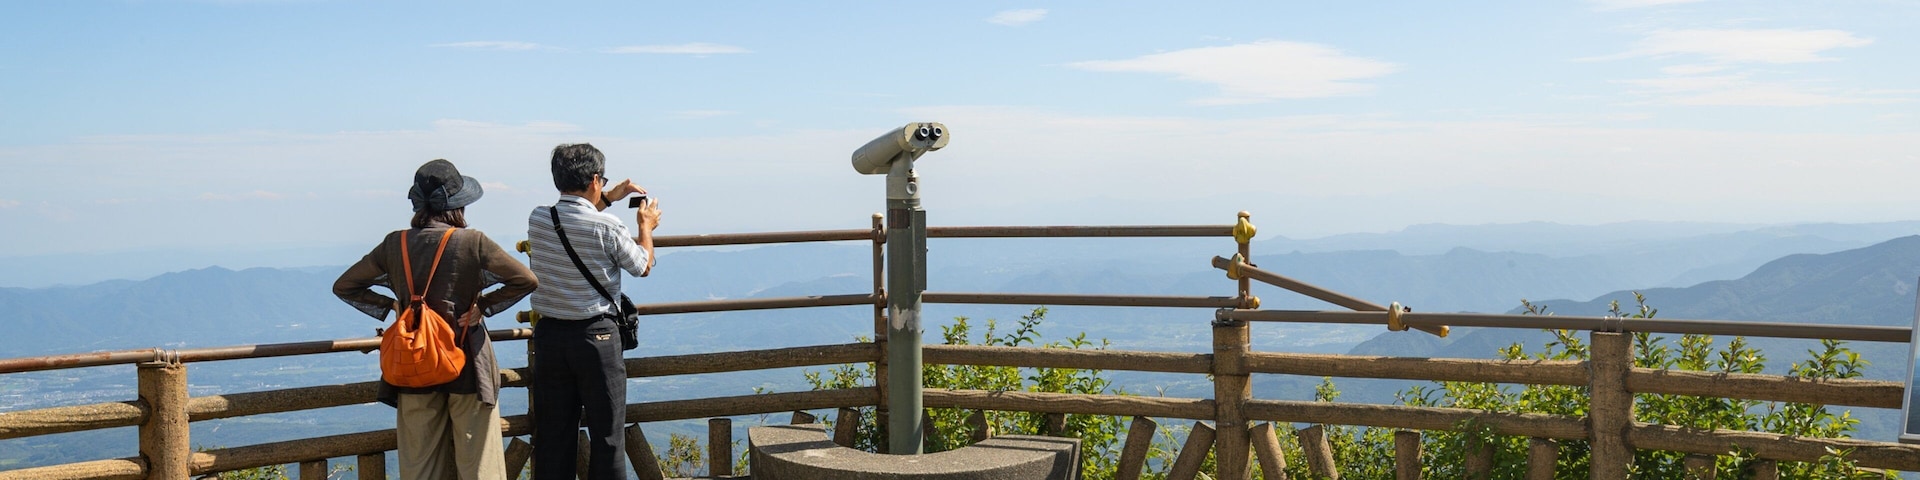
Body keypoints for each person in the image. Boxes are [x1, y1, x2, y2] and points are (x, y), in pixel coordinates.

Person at [334, 159, 538, 480]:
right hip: (468, 362)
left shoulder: (394, 243)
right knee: (480, 466)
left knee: (419, 467)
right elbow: (525, 279)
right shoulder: (473, 242)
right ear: (458, 206)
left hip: (413, 367)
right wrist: (483, 306)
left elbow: (345, 285)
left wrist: (392, 305)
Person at [526, 143, 661, 480]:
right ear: (595, 179)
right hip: (596, 338)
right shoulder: (610, 227)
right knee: (607, 436)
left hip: (550, 337)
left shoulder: (539, 218)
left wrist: (609, 196)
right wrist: (646, 226)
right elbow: (642, 266)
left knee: (554, 435)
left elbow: (576, 216)